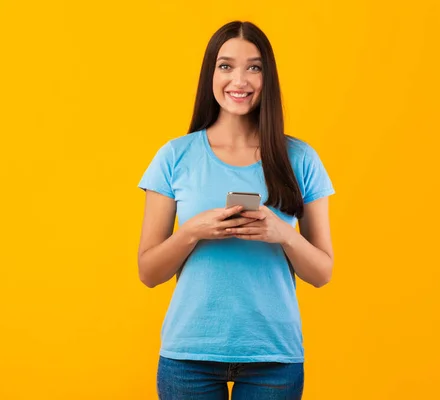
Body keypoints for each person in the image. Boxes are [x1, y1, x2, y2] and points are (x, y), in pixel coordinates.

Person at [138, 20, 335, 400]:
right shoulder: (175, 157)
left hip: (273, 356)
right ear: (210, 73)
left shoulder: (301, 159)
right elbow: (148, 272)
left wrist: (282, 235)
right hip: (189, 355)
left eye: (254, 67)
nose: (239, 80)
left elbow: (322, 273)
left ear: (268, 77)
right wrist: (193, 231)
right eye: (226, 66)